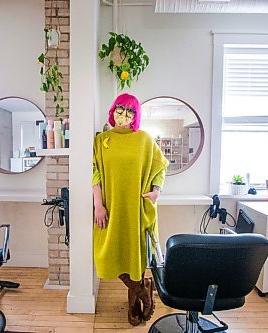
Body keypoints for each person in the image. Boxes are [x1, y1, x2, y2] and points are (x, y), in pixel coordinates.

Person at [92, 93, 169, 326]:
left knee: (134, 257)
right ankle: (143, 289)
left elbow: (160, 167)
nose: (123, 115)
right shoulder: (101, 140)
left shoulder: (144, 139)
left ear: (136, 116)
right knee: (108, 256)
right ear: (112, 110)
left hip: (136, 208)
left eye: (129, 111)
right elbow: (94, 173)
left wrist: (156, 191)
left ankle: (134, 303)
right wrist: (98, 205)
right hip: (111, 208)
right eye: (120, 109)